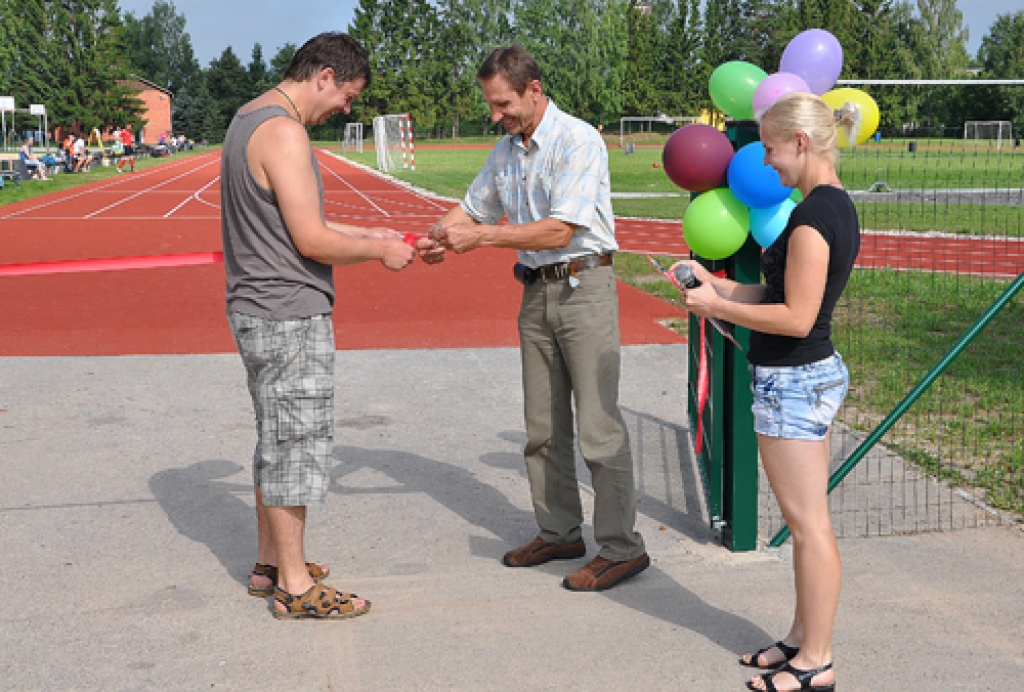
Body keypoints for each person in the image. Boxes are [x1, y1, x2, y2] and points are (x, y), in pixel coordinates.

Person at [430, 45, 649, 592]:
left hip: (584, 287)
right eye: (491, 105)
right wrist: (436, 236)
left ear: (534, 90)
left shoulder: (578, 139)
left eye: (503, 104)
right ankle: (559, 533)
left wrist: (480, 237)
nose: (495, 115)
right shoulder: (506, 150)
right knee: (544, 427)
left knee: (599, 427)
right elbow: (474, 207)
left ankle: (622, 548)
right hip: (536, 292)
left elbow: (559, 231)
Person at [222, 31, 423, 620]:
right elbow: (309, 239)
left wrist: (373, 234)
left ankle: (269, 563)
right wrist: (379, 254)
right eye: (348, 95)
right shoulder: (285, 131)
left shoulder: (248, 116)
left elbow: (296, 222)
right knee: (295, 447)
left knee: (273, 438)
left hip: (257, 306)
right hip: (287, 313)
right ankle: (293, 585)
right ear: (325, 76)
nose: (346, 109)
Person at [673, 91, 860, 692]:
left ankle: (817, 663)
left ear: (800, 144)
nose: (768, 163)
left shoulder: (811, 220)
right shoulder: (831, 206)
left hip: (794, 381)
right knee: (808, 523)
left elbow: (797, 317)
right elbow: (778, 296)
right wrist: (718, 288)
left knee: (808, 527)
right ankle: (803, 639)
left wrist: (711, 307)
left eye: (772, 149)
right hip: (804, 377)